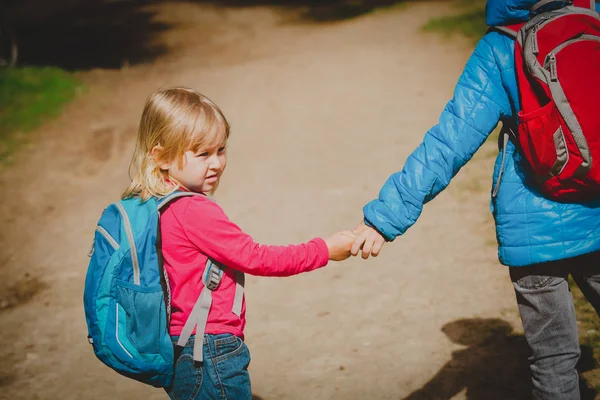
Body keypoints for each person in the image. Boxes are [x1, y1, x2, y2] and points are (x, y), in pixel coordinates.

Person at [351, 0, 600, 398]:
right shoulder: (592, 17)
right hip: (596, 208)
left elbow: (449, 142)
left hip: (532, 234)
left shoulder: (500, 48)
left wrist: (384, 218)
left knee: (553, 359)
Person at [122, 87, 356, 400]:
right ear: (161, 157)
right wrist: (323, 250)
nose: (216, 163)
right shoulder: (193, 210)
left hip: (181, 347)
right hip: (211, 350)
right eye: (202, 154)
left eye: (220, 150)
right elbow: (257, 257)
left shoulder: (156, 205)